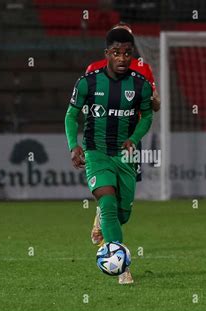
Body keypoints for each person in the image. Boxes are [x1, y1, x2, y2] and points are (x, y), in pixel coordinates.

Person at [65, 28, 154, 284]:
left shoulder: (140, 85)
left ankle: (101, 221)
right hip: (96, 152)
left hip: (125, 157)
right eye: (116, 53)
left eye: (127, 53)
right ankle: (121, 265)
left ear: (132, 55)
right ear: (107, 54)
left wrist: (134, 139)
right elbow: (71, 115)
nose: (122, 58)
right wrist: (74, 146)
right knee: (108, 202)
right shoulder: (88, 82)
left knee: (122, 213)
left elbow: (148, 115)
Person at [85, 23, 160, 248]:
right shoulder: (93, 69)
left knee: (123, 212)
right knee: (108, 200)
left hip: (128, 143)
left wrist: (156, 101)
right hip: (101, 145)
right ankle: (115, 257)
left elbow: (153, 105)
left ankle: (103, 216)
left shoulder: (143, 68)